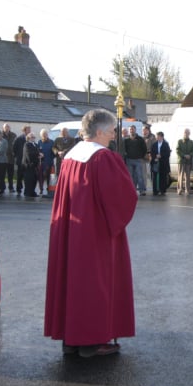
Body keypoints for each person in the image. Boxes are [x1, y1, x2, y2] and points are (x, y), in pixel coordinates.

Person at [44, 108, 138, 358]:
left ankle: (72, 338)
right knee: (94, 283)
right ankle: (91, 340)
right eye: (111, 131)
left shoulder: (71, 156)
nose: (114, 136)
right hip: (95, 233)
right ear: (99, 131)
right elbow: (121, 196)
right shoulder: (102, 158)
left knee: (73, 281)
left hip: (72, 233)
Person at [124, 125, 148, 195]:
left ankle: (142, 190)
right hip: (129, 160)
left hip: (138, 160)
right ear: (129, 131)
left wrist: (141, 156)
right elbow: (124, 149)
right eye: (130, 129)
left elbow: (144, 149)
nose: (131, 130)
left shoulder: (140, 139)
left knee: (139, 176)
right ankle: (132, 190)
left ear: (135, 130)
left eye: (133, 129)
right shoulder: (126, 140)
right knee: (130, 176)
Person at [149, 130, 171, 196]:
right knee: (155, 177)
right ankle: (155, 190)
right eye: (156, 137)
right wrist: (155, 157)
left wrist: (161, 155)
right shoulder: (154, 144)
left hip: (163, 163)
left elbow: (167, 153)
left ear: (162, 137)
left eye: (158, 137)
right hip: (155, 163)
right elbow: (152, 152)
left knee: (163, 177)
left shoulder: (166, 144)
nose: (157, 138)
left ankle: (162, 190)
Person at [175, 128, 193, 195]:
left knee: (188, 176)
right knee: (180, 175)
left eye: (187, 132)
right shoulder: (179, 141)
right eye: (185, 132)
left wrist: (190, 155)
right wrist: (184, 155)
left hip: (188, 161)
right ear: (183, 133)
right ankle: (179, 189)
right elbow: (177, 150)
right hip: (181, 161)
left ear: (189, 133)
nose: (186, 134)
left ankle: (188, 190)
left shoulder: (191, 142)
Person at [13, 125, 31, 195]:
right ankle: (19, 189)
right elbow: (14, 148)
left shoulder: (30, 138)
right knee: (19, 175)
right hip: (20, 160)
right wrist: (17, 156)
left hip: (27, 161)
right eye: (28, 129)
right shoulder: (19, 138)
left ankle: (27, 189)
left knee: (27, 176)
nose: (29, 131)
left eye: (30, 129)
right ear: (24, 130)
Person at [21, 132, 41, 198]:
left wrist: (40, 154)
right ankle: (27, 192)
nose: (33, 138)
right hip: (28, 165)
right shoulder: (27, 144)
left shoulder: (35, 144)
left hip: (35, 164)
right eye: (32, 137)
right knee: (28, 179)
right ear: (28, 138)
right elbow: (29, 154)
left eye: (34, 137)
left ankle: (32, 192)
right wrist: (38, 154)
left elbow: (38, 151)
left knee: (34, 179)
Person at [37, 128, 55, 194]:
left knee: (50, 177)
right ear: (41, 135)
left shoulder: (52, 142)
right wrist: (39, 154)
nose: (45, 135)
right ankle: (41, 189)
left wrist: (54, 155)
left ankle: (49, 189)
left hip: (50, 162)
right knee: (41, 177)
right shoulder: (39, 142)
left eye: (46, 134)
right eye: (43, 134)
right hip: (42, 163)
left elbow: (54, 152)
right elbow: (37, 151)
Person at [2, 123, 17, 192]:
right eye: (5, 127)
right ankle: (2, 187)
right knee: (2, 174)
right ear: (3, 128)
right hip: (3, 158)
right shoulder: (1, 135)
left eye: (8, 127)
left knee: (10, 174)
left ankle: (11, 187)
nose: (7, 128)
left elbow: (15, 145)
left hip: (11, 157)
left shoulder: (13, 135)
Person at [142, 125, 156, 190]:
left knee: (150, 174)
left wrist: (149, 154)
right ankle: (144, 187)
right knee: (144, 174)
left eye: (145, 130)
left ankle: (152, 188)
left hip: (150, 158)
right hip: (143, 158)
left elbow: (154, 147)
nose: (144, 131)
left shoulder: (152, 137)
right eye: (143, 130)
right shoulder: (141, 138)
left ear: (148, 130)